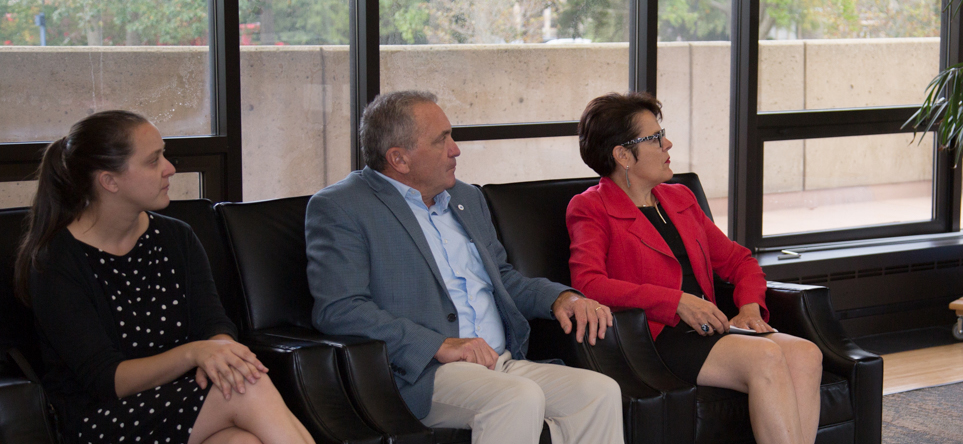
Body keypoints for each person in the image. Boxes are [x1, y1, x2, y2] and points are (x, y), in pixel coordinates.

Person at [305, 91, 623, 444]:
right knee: (516, 397)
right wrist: (438, 344)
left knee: (598, 392)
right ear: (399, 159)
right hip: (420, 373)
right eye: (441, 140)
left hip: (499, 363)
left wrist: (560, 298)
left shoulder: (465, 198)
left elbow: (502, 278)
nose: (456, 149)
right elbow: (339, 310)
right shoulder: (342, 208)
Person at [15, 110, 314, 444]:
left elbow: (214, 323)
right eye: (153, 160)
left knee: (242, 439)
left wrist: (221, 353)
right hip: (102, 418)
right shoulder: (56, 260)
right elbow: (107, 379)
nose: (170, 168)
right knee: (246, 387)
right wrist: (196, 353)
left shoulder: (177, 237)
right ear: (109, 181)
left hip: (181, 400)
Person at [566, 92, 823, 444]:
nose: (667, 143)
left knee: (807, 354)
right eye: (654, 138)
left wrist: (749, 307)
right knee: (765, 356)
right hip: (655, 337)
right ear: (623, 154)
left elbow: (739, 261)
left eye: (662, 133)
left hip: (708, 326)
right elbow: (589, 284)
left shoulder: (679, 198)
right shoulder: (590, 208)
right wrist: (677, 301)